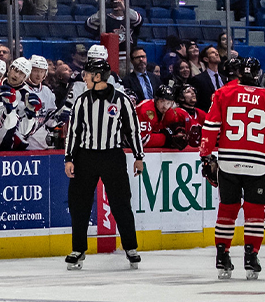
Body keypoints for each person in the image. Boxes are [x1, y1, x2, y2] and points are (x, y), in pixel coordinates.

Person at [199, 57, 265, 280]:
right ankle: (251, 256)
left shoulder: (223, 94)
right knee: (254, 213)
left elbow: (210, 127)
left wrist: (206, 156)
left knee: (227, 210)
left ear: (240, 74)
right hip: (258, 165)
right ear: (258, 74)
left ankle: (222, 254)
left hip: (229, 161)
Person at [63, 57, 143, 271]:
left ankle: (131, 247)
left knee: (121, 204)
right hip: (85, 157)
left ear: (97, 77)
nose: (84, 78)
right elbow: (73, 132)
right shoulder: (82, 100)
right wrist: (69, 158)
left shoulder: (121, 100)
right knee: (79, 206)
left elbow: (132, 129)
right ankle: (78, 249)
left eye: (87, 75)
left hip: (112, 157)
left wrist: (138, 156)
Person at [19, 55, 57, 150]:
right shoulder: (20, 90)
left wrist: (58, 119)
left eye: (42, 71)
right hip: (21, 146)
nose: (38, 75)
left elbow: (49, 121)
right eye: (35, 70)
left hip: (41, 145)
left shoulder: (47, 91)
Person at [136, 85, 191, 150]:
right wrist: (167, 139)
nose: (165, 106)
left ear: (172, 103)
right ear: (156, 100)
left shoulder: (169, 111)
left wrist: (179, 133)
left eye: (168, 103)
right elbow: (141, 140)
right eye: (162, 101)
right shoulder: (145, 110)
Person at [189, 46, 224, 112]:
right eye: (213, 53)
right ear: (206, 59)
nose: (217, 54)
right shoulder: (198, 79)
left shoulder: (224, 78)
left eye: (217, 52)